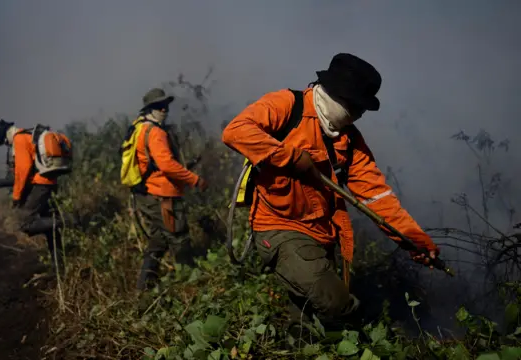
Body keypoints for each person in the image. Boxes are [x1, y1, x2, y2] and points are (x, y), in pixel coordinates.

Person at [221, 53, 440, 333]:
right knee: (337, 304)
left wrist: (413, 240)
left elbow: (376, 197)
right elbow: (235, 131)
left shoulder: (350, 139)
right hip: (279, 226)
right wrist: (290, 158)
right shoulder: (287, 105)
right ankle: (359, 339)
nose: (359, 115)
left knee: (306, 319)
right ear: (337, 96)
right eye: (356, 107)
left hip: (322, 234)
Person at [132, 88, 208, 291]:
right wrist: (194, 179)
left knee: (158, 240)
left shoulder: (140, 128)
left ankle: (144, 288)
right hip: (162, 196)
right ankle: (192, 287)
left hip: (150, 194)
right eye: (158, 106)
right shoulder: (155, 132)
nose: (164, 109)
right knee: (179, 237)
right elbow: (166, 165)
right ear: (149, 109)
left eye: (165, 105)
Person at [0, 119, 71, 274]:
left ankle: (68, 220)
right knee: (50, 226)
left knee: (26, 223)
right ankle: (58, 267)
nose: (6, 145)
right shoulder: (28, 135)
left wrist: (16, 197)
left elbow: (23, 171)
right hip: (48, 182)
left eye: (4, 142)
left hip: (41, 185)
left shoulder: (19, 139)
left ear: (5, 135)